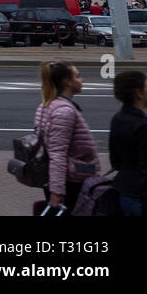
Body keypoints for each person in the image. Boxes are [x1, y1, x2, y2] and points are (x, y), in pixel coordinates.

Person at [35, 61, 100, 213]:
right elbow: (57, 153)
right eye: (77, 76)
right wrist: (57, 192)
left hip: (64, 179)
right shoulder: (64, 111)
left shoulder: (47, 105)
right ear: (67, 82)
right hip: (72, 181)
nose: (81, 80)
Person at [109, 70, 147, 216]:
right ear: (139, 93)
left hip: (124, 190)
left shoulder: (117, 118)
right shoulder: (145, 127)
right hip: (143, 199)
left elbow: (115, 161)